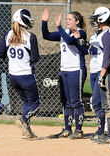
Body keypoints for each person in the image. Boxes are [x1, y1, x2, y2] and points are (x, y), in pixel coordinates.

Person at [41, 8, 87, 139]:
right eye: (66, 19)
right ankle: (67, 129)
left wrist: (59, 26)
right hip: (64, 70)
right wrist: (44, 22)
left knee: (76, 100)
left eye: (70, 19)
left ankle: (79, 130)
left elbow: (70, 41)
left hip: (76, 69)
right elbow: (47, 36)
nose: (67, 21)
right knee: (65, 101)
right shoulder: (64, 32)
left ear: (77, 22)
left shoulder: (80, 32)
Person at [0, 9, 40, 139]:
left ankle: (26, 131)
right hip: (26, 75)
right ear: (23, 21)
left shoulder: (7, 34)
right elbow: (35, 58)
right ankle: (23, 120)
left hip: (13, 76)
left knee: (26, 102)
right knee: (35, 104)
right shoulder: (30, 36)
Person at [84, 6, 110, 144]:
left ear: (102, 18)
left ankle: (109, 135)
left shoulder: (108, 35)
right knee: (98, 102)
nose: (94, 21)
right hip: (103, 71)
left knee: (107, 103)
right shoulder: (103, 34)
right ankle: (102, 131)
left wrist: (101, 75)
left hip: (108, 72)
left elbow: (107, 58)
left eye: (96, 18)